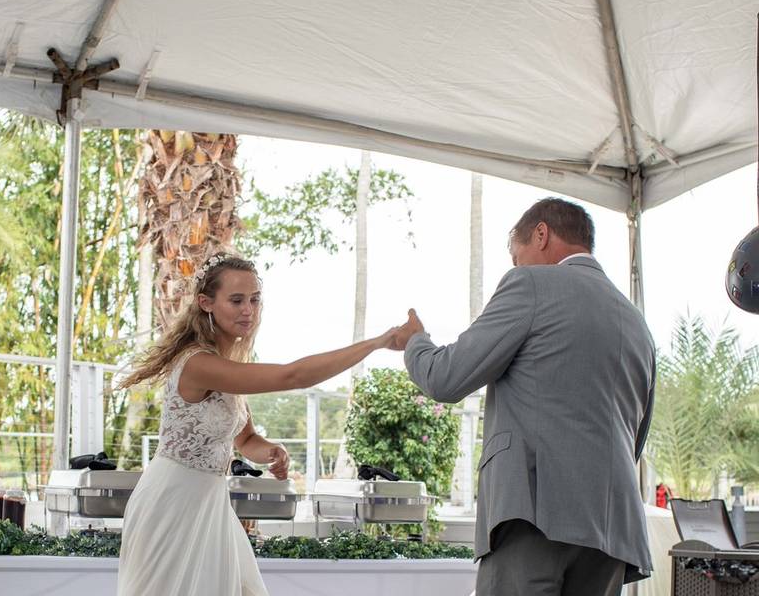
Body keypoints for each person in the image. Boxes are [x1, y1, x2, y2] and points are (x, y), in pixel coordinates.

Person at [390, 198, 656, 596]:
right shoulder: (637, 323)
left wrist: (416, 342)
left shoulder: (530, 284)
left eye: (517, 256)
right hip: (612, 528)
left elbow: (445, 377)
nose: (516, 266)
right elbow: (636, 434)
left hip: (533, 514)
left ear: (542, 234)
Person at [117, 252, 397, 596]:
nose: (248, 310)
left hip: (210, 503)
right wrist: (377, 343)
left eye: (254, 299)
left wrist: (271, 452)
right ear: (206, 303)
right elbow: (292, 375)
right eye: (236, 300)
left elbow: (245, 439)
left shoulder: (226, 362)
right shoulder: (198, 363)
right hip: (172, 500)